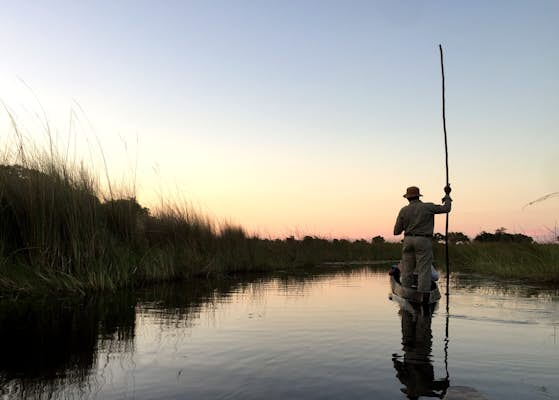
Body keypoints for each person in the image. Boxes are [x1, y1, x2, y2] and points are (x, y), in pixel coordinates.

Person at [393, 186, 452, 295]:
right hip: (423, 240)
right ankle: (423, 295)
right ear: (418, 196)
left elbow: (396, 231)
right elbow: (446, 209)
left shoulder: (403, 210)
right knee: (424, 270)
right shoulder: (427, 207)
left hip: (408, 240)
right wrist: (447, 195)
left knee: (407, 270)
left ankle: (406, 293)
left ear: (407, 198)